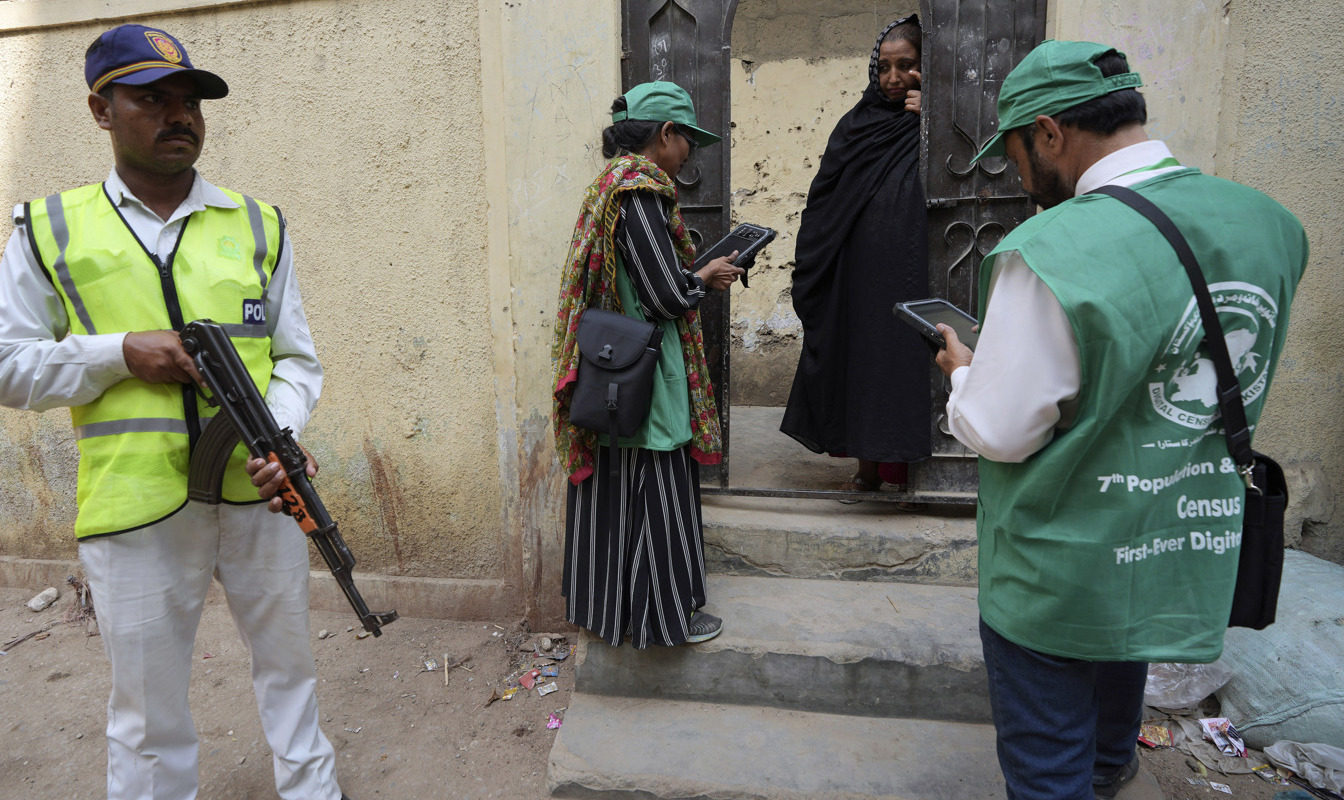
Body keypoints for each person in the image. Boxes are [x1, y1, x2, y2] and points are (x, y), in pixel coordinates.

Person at [0, 25, 351, 800]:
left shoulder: (257, 224)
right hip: (135, 509)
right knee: (148, 713)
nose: (178, 114)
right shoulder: (50, 230)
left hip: (261, 494)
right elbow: (0, 365)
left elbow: (296, 359)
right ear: (100, 110)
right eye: (151, 99)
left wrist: (280, 433)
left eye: (187, 100)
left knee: (291, 672)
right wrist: (117, 353)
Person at [933, 40, 1306, 800]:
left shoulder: (1053, 247)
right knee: (1122, 641)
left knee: (1046, 758)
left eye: (1014, 152)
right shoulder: (1270, 224)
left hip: (1060, 558)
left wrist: (963, 371)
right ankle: (1111, 762)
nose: (1018, 174)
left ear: (1047, 133)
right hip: (1175, 530)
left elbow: (1004, 429)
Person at [551, 81, 745, 648]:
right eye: (687, 141)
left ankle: (609, 612)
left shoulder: (608, 188)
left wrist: (694, 273)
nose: (689, 155)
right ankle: (666, 619)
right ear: (665, 134)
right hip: (648, 372)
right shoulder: (641, 194)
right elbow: (664, 296)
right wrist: (705, 277)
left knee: (614, 494)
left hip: (612, 371)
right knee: (656, 488)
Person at [780, 14, 932, 498]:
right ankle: (867, 469)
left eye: (906, 66)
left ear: (927, 67)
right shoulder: (857, 124)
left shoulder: (939, 119)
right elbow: (827, 193)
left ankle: (915, 469)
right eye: (884, 67)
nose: (892, 79)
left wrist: (935, 113)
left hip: (916, 265)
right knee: (866, 358)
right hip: (861, 270)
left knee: (909, 360)